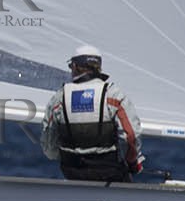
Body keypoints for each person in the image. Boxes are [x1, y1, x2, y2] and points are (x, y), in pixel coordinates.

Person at [41, 51, 144, 182]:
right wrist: (133, 163)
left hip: (72, 173)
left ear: (74, 66)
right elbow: (131, 136)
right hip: (110, 174)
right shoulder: (113, 95)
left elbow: (49, 149)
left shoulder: (59, 98)